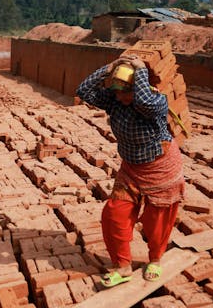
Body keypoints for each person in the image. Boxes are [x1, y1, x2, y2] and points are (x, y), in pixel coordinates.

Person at [76, 54, 185, 287]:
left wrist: (140, 71)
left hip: (160, 168)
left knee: (156, 221)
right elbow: (84, 90)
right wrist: (110, 68)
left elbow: (144, 102)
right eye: (117, 92)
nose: (121, 97)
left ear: (138, 87)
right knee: (115, 214)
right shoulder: (115, 100)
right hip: (131, 169)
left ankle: (155, 259)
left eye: (126, 91)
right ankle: (122, 266)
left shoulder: (156, 101)